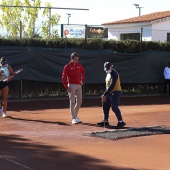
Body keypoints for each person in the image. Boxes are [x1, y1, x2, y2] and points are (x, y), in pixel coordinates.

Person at [98, 62, 126, 128]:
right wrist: (106, 94)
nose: (107, 70)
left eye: (108, 68)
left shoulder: (114, 74)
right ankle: (105, 121)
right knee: (105, 105)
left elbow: (112, 85)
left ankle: (121, 122)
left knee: (114, 107)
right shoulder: (108, 74)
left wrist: (104, 94)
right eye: (106, 69)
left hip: (116, 92)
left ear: (111, 67)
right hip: (109, 93)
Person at [62, 52, 85, 124]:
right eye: (75, 59)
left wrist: (82, 80)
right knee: (72, 102)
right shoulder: (67, 66)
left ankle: (75, 115)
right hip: (71, 86)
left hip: (78, 85)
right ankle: (73, 118)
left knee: (79, 101)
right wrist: (66, 86)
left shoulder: (79, 65)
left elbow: (83, 72)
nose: (77, 61)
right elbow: (63, 77)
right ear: (72, 59)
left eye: (77, 59)